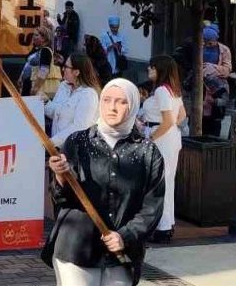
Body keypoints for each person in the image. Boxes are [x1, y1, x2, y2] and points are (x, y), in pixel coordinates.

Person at [43, 78, 164, 286]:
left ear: (133, 106)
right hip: (77, 248)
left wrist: (125, 236)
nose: (112, 107)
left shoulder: (148, 152)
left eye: (121, 102)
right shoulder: (78, 142)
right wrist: (60, 176)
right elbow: (60, 198)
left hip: (121, 254)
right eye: (107, 100)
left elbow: (152, 208)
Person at [142, 55, 184, 244]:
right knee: (167, 181)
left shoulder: (161, 91)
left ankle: (163, 227)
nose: (149, 70)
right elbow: (181, 116)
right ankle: (166, 224)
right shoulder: (173, 90)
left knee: (160, 182)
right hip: (170, 136)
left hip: (161, 137)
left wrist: (151, 137)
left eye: (152, 67)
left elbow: (168, 120)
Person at [45, 54, 101, 148]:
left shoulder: (89, 94)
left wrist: (52, 142)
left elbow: (80, 127)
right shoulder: (63, 86)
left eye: (66, 66)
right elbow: (55, 113)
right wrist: (46, 102)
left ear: (76, 72)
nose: (63, 69)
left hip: (74, 152)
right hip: (57, 148)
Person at [201, 26, 232, 137]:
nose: (209, 44)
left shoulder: (224, 50)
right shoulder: (199, 48)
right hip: (201, 89)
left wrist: (212, 67)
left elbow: (227, 70)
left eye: (211, 42)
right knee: (201, 120)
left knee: (215, 121)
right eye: (207, 42)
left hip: (217, 89)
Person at [18, 27, 56, 99]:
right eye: (34, 35)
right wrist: (21, 77)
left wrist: (35, 88)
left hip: (34, 88)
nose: (33, 37)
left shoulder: (45, 51)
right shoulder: (36, 49)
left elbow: (44, 70)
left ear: (44, 38)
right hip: (27, 84)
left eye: (36, 35)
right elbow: (28, 63)